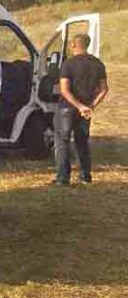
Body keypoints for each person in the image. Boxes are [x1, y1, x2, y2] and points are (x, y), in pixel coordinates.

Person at [53, 34, 110, 186]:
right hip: (85, 110)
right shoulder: (98, 64)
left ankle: (63, 178)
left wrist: (78, 106)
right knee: (82, 142)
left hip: (67, 108)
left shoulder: (68, 64)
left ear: (73, 45)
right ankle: (85, 176)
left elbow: (64, 90)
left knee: (62, 141)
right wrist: (90, 106)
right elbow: (104, 89)